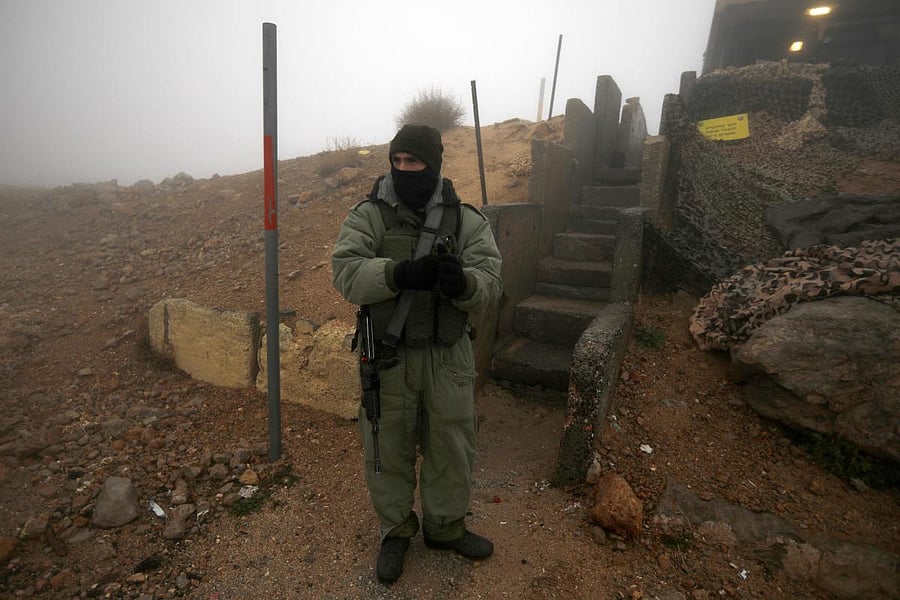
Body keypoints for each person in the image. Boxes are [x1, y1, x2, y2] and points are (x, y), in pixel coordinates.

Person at [331, 124, 503, 584]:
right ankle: (396, 531)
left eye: (415, 161)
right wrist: (399, 272)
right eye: (398, 160)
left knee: (452, 444)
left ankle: (446, 527)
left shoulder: (466, 220)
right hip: (389, 356)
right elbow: (345, 272)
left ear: (434, 164)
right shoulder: (369, 215)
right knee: (386, 447)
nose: (404, 169)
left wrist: (464, 284)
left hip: (448, 355)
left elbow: (490, 282)